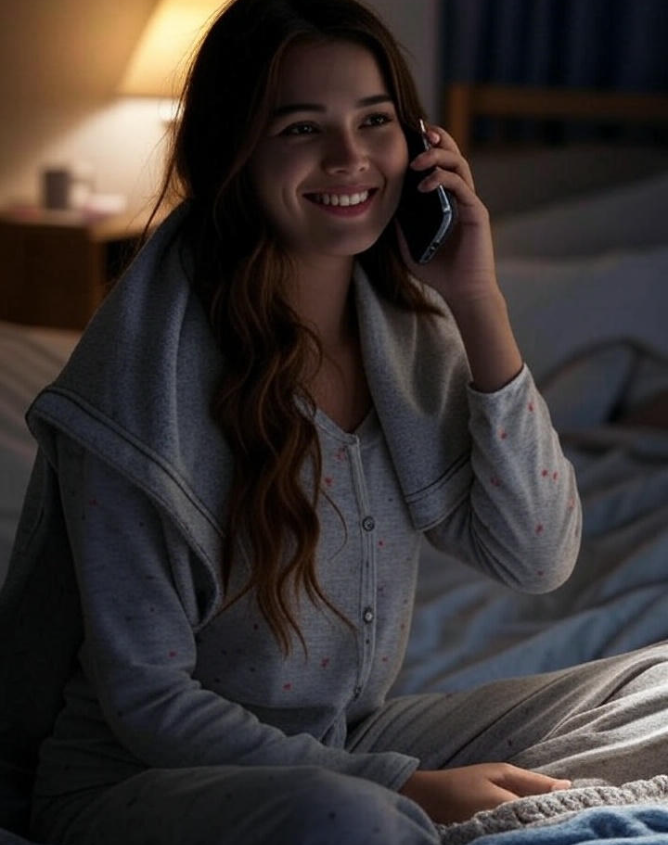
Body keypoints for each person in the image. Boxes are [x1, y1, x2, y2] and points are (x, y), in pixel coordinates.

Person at [3, 1, 668, 844]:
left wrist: (476, 297)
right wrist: (413, 786)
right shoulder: (142, 381)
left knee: (661, 686)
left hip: (340, 738)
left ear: (420, 144)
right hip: (142, 776)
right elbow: (148, 703)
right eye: (301, 128)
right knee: (349, 816)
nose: (351, 158)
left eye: (376, 121)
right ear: (235, 151)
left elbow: (538, 558)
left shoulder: (404, 330)